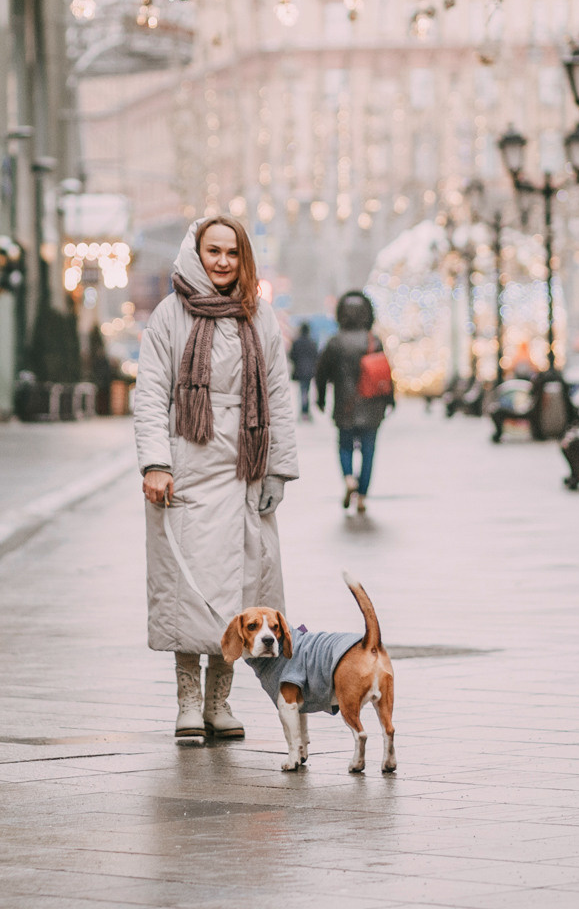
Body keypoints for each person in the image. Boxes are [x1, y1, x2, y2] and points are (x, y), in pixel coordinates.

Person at [134, 216, 299, 741]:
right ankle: (186, 701)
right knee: (189, 587)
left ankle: (218, 701)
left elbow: (278, 396)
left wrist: (277, 467)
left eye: (232, 252)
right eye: (213, 251)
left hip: (244, 471)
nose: (223, 261)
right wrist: (155, 463)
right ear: (196, 253)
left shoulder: (260, 316)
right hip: (187, 468)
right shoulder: (170, 314)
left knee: (239, 590)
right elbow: (150, 393)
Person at [315, 291, 395, 514]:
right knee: (369, 450)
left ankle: (349, 478)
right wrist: (391, 400)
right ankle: (362, 496)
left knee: (344, 446)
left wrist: (320, 399)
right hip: (372, 406)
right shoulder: (374, 340)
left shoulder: (335, 342)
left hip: (344, 406)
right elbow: (385, 373)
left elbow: (321, 374)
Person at [289, 322, 320, 420]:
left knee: (302, 391)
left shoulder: (296, 342)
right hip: (310, 370)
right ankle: (306, 410)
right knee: (307, 390)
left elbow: (291, 355)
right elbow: (316, 356)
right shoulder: (312, 342)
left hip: (299, 370)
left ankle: (303, 410)